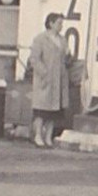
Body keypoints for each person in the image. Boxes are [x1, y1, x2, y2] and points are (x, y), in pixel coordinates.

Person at [27, 12, 69, 148]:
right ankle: (38, 135)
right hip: (44, 80)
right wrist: (44, 73)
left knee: (54, 111)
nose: (61, 26)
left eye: (62, 23)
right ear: (50, 23)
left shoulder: (63, 40)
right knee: (41, 110)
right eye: (59, 23)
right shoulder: (40, 39)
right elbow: (34, 59)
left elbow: (65, 57)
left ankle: (48, 137)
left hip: (59, 80)